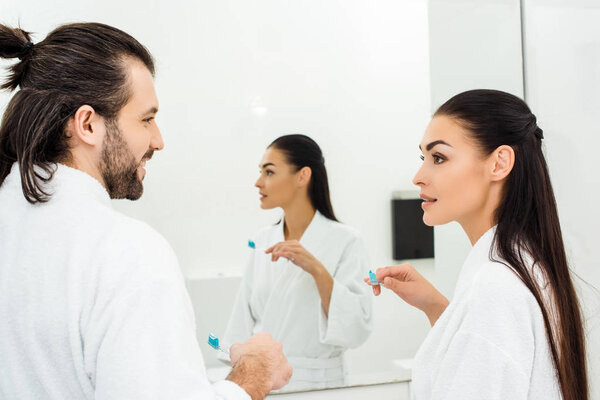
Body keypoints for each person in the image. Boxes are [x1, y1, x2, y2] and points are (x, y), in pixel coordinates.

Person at [0, 23, 291, 400]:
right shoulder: (124, 252)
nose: (158, 140)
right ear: (87, 124)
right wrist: (253, 375)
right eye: (146, 119)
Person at [367, 89, 588, 400]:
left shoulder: (494, 288)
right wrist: (437, 307)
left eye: (438, 157)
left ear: (499, 163)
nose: (418, 176)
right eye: (423, 158)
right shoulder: (523, 267)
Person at [222, 134, 373, 390]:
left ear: (303, 176)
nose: (258, 182)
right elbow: (241, 318)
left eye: (269, 172)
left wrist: (316, 269)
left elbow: (357, 325)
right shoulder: (261, 241)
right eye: (260, 172)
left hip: (322, 384)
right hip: (264, 382)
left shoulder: (347, 241)